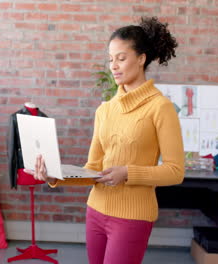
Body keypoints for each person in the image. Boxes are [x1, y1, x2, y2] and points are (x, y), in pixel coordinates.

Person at [25, 17, 185, 264]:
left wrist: (128, 173)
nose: (114, 66)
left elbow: (175, 172)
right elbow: (93, 169)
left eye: (121, 58)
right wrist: (54, 176)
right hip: (96, 211)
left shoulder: (160, 107)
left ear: (141, 59)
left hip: (133, 216)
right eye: (111, 59)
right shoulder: (105, 110)